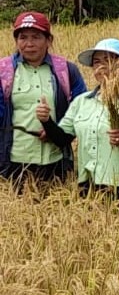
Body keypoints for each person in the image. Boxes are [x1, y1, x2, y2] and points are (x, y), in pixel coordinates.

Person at [38, 38, 119, 205]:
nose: (101, 67)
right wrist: (46, 121)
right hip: (88, 183)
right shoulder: (82, 101)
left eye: (107, 60)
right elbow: (63, 138)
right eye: (96, 62)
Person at [0, 11, 87, 194]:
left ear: (48, 40)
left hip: (55, 160)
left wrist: (56, 131)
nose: (29, 44)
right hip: (14, 160)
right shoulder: (4, 72)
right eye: (23, 37)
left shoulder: (66, 71)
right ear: (16, 41)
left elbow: (82, 111)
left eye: (36, 37)